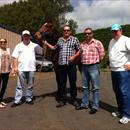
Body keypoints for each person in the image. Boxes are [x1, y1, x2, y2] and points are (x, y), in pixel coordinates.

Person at [69, 27, 105, 114]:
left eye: (89, 33)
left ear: (92, 34)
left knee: (95, 88)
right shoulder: (83, 44)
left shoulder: (97, 43)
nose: (87, 35)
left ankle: (95, 106)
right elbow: (80, 53)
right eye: (85, 33)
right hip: (84, 67)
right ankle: (84, 104)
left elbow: (102, 54)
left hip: (93, 66)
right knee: (85, 87)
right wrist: (73, 57)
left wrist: (96, 63)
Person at [45, 25, 80, 108]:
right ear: (63, 31)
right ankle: (62, 100)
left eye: (68, 30)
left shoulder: (75, 39)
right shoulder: (60, 40)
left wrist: (74, 57)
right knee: (62, 83)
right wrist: (46, 44)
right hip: (61, 66)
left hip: (71, 66)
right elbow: (54, 48)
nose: (66, 32)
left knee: (73, 83)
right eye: (65, 30)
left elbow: (80, 50)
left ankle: (73, 99)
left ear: (70, 31)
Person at [11, 30, 44, 107]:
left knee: (30, 85)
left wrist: (43, 42)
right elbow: (15, 57)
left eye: (27, 35)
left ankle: (29, 99)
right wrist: (15, 67)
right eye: (24, 35)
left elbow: (42, 52)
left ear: (29, 36)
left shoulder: (34, 45)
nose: (26, 37)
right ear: (22, 36)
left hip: (31, 69)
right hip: (21, 69)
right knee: (19, 86)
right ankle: (17, 100)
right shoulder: (18, 45)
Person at [108, 24, 130, 124]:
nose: (115, 33)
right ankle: (120, 110)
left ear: (120, 30)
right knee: (117, 91)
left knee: (124, 93)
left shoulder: (126, 40)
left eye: (116, 31)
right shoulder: (111, 41)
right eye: (113, 31)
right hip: (113, 70)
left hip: (123, 71)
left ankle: (127, 115)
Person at [0, 38, 11, 108]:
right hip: (0, 72)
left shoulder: (8, 50)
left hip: (6, 71)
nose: (2, 43)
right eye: (1, 42)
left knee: (4, 87)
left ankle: (0, 100)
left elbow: (9, 60)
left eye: (4, 42)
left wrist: (12, 69)